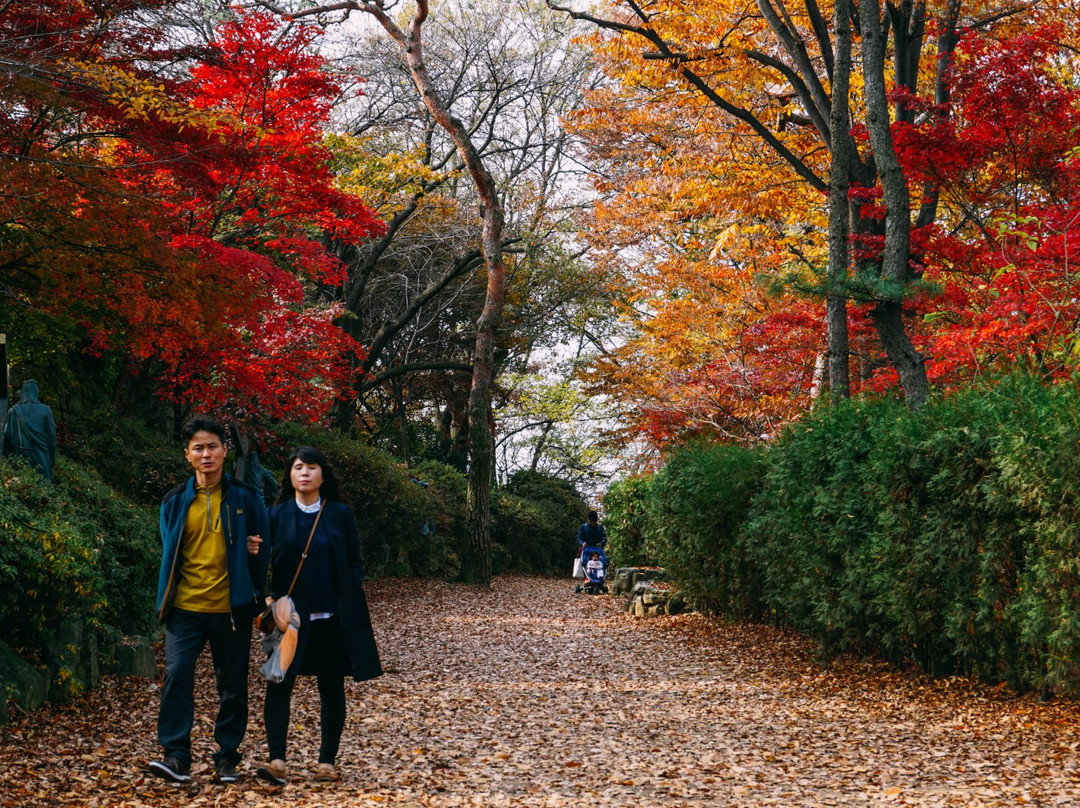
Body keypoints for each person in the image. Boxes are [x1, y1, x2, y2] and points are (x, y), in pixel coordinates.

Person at [148, 416, 270, 785]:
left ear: (224, 451)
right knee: (176, 674)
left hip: (230, 610)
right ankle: (176, 756)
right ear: (187, 454)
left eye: (212, 446)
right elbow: (169, 550)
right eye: (198, 448)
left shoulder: (246, 498)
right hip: (185, 608)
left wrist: (254, 581)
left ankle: (227, 758)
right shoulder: (173, 501)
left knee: (232, 685)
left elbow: (262, 548)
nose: (206, 454)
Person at [257, 446, 382, 786]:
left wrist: (348, 593)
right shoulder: (276, 513)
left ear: (322, 475)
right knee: (278, 684)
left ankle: (326, 761)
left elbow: (355, 562)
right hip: (289, 619)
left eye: (312, 467)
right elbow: (263, 560)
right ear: (290, 475)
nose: (305, 473)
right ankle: (277, 760)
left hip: (329, 616)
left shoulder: (340, 513)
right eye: (299, 467)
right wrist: (270, 599)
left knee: (331, 687)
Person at [2, 379, 57, 481]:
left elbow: (7, 438)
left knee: (23, 488)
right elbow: (51, 438)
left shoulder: (13, 411)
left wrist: (8, 460)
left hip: (20, 456)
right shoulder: (46, 410)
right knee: (44, 488)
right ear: (36, 392)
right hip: (42, 457)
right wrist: (51, 460)